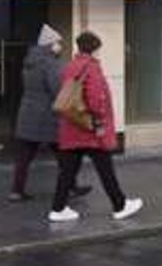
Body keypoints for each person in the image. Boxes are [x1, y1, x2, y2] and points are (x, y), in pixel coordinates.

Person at [47, 31, 143, 223]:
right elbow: (96, 99)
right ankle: (120, 205)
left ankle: (58, 209)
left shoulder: (71, 66)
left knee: (67, 171)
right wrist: (99, 120)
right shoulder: (91, 67)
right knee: (105, 169)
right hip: (90, 129)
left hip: (71, 126)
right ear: (95, 48)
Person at [10, 24, 90, 202]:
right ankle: (72, 187)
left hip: (28, 114)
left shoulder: (29, 62)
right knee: (64, 154)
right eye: (57, 43)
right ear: (49, 45)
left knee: (24, 157)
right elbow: (57, 89)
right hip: (47, 117)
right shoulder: (51, 64)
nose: (60, 46)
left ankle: (16, 190)